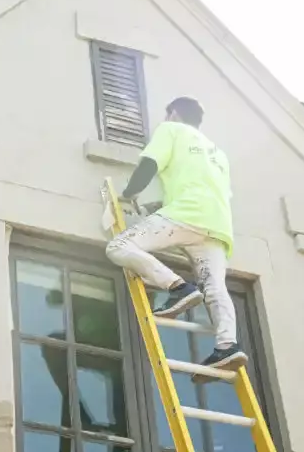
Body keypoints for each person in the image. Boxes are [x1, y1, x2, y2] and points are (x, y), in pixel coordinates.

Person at [105, 96, 247, 370]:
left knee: (118, 247)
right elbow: (200, 185)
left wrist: (129, 193)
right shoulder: (218, 153)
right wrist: (160, 207)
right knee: (215, 287)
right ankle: (227, 345)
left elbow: (149, 166)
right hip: (217, 226)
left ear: (172, 114)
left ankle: (177, 287)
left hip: (186, 214)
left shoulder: (169, 129)